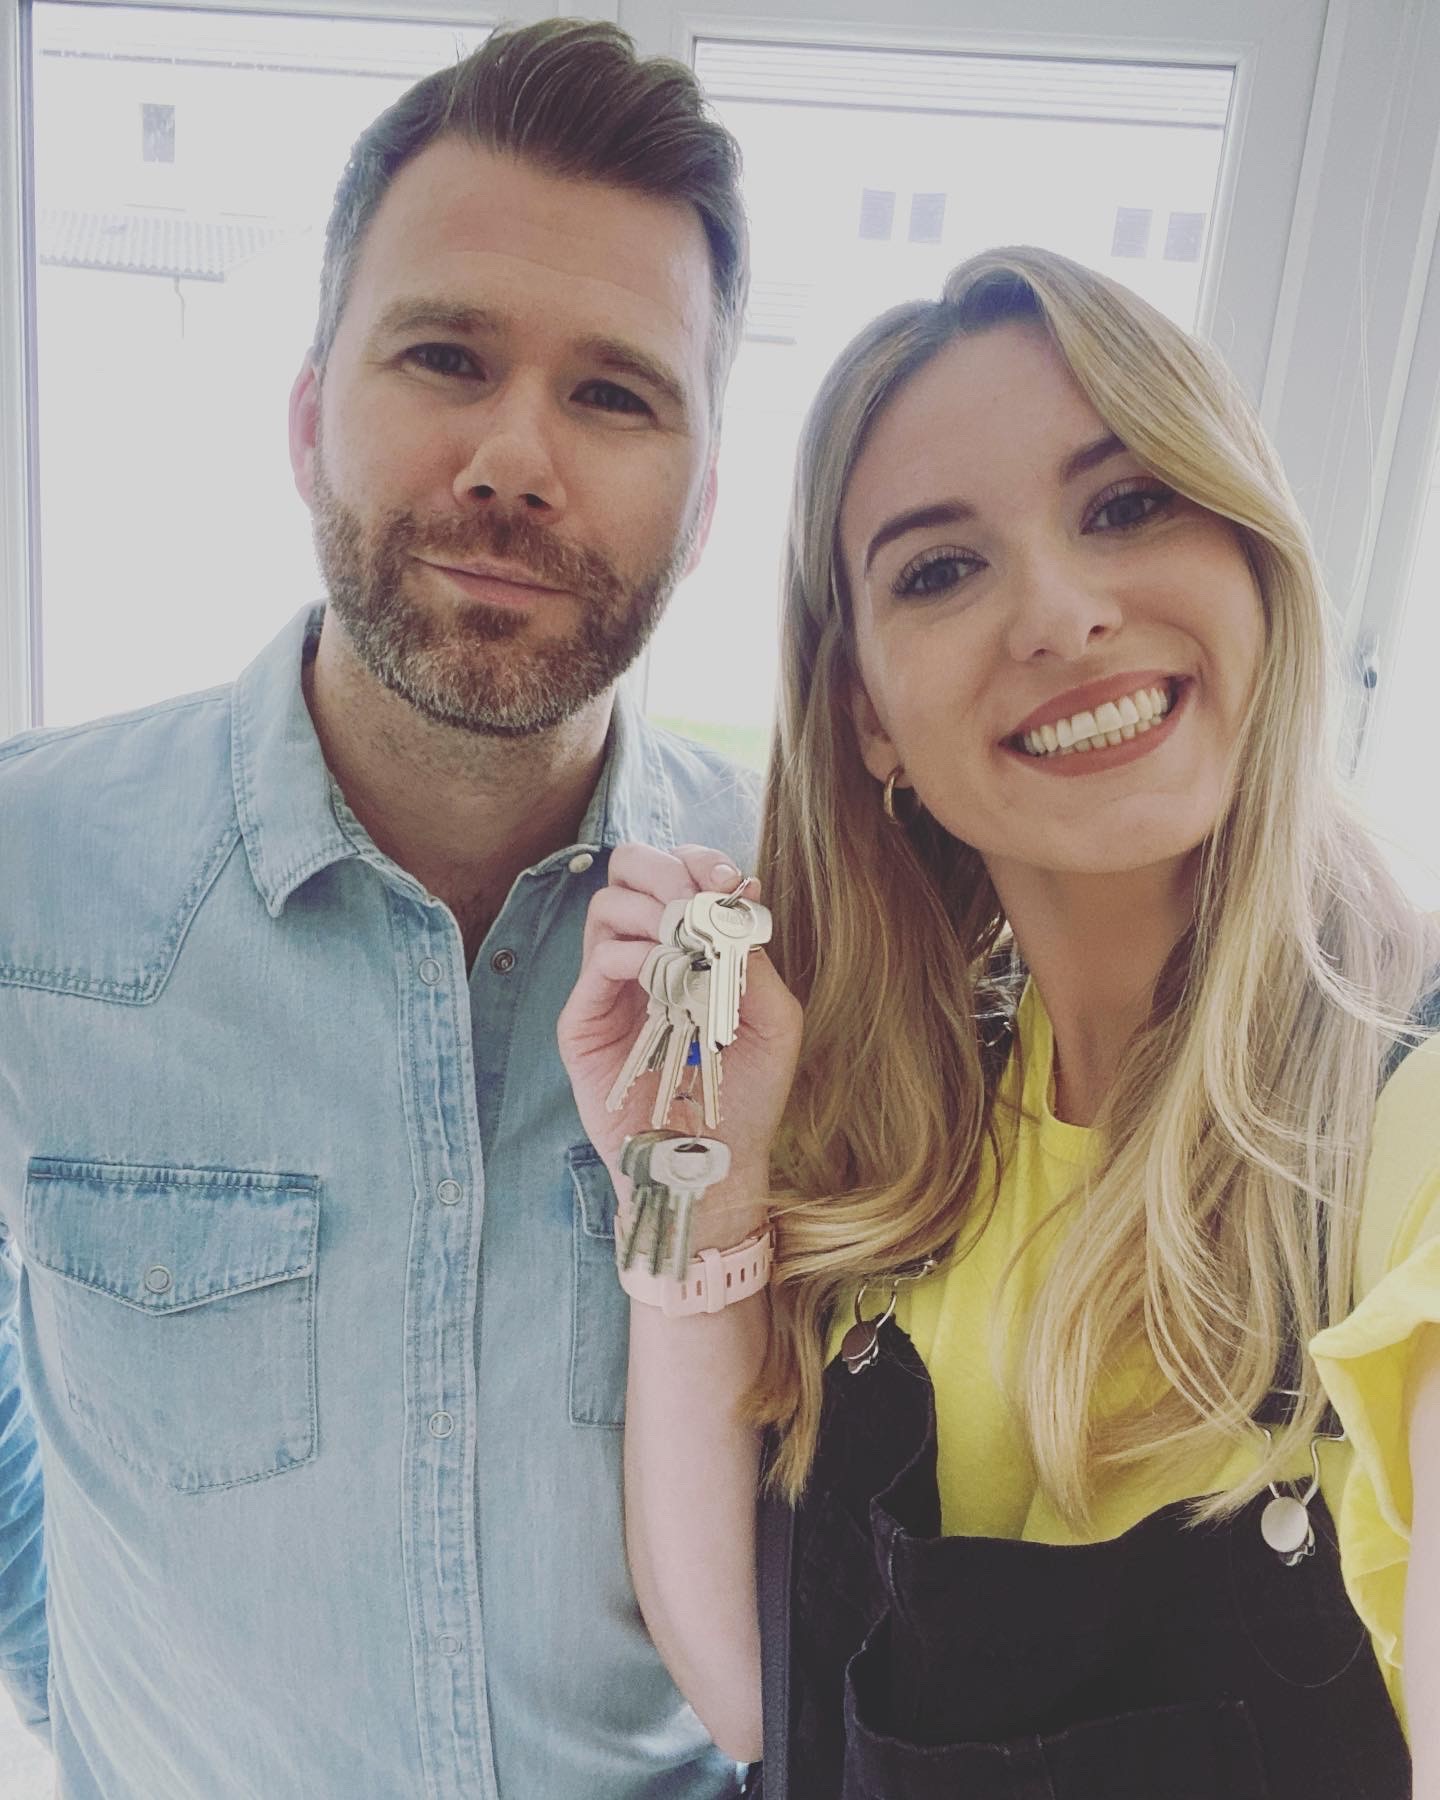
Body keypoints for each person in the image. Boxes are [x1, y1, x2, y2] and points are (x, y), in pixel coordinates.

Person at [559, 246, 1440, 1798]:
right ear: (871, 723)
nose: (1064, 611)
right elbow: (752, 1692)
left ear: (1254, 559)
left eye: (1125, 504)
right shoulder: (908, 1129)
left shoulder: (1407, 1131)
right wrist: (684, 1169)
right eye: (941, 569)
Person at [0, 20, 760, 1798]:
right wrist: (95, 1715)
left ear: (705, 504)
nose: (514, 456)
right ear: (305, 414)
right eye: (444, 352)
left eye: (616, 392)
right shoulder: (26, 884)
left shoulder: (800, 924)